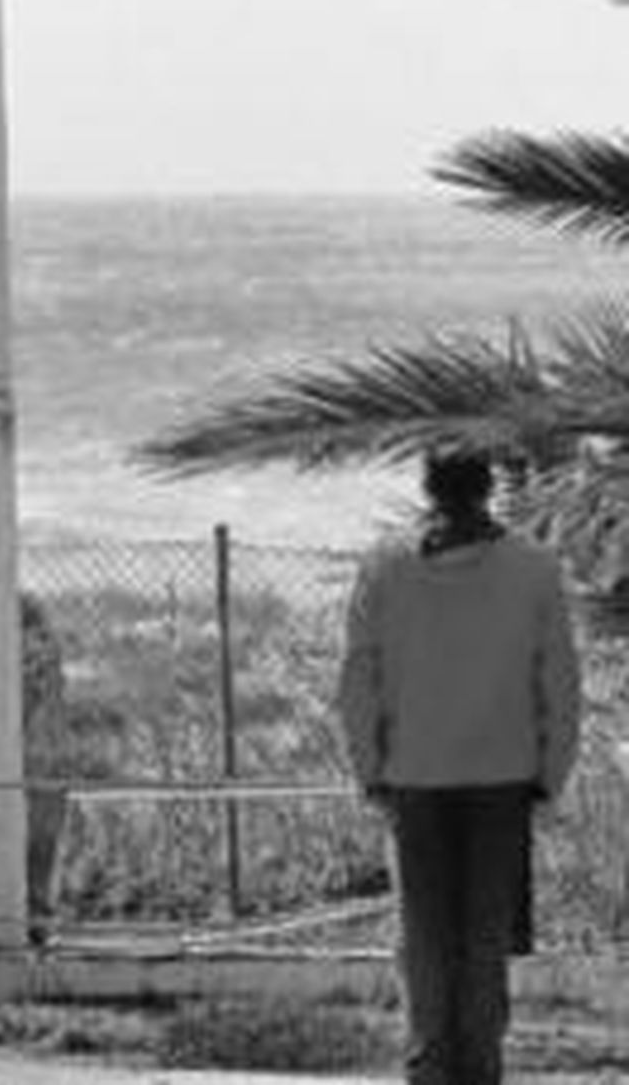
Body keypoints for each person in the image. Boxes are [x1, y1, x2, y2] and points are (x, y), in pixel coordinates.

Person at [338, 447, 582, 1085]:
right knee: (484, 937)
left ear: (428, 489)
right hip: (504, 778)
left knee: (423, 937)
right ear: (489, 488)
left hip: (413, 777)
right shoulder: (533, 567)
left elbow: (358, 677)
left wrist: (368, 769)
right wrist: (552, 774)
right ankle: (480, 1069)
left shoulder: (385, 567)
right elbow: (560, 680)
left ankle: (429, 1067)